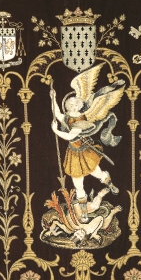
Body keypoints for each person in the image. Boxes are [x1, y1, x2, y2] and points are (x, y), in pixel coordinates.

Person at [50, 89, 118, 223]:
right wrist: (53, 97)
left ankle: (110, 185)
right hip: (73, 155)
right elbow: (57, 113)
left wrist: (55, 130)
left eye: (76, 105)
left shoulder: (81, 120)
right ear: (68, 107)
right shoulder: (67, 117)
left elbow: (70, 136)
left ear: (80, 106)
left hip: (85, 153)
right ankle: (84, 212)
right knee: (78, 185)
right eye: (71, 105)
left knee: (98, 174)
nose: (73, 107)